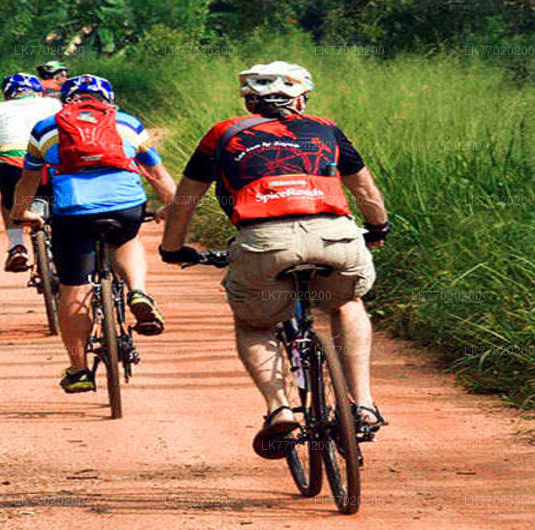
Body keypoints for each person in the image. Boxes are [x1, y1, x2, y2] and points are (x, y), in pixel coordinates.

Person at [158, 61, 391, 458]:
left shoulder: (222, 133)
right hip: (333, 234)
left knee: (255, 321)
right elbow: (364, 189)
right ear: (301, 99)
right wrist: (378, 227)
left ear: (250, 101)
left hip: (263, 242)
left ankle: (279, 407)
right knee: (347, 303)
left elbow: (185, 201)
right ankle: (364, 404)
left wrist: (172, 248)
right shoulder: (326, 128)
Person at [10, 74, 177, 393]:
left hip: (73, 211)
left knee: (73, 289)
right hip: (125, 206)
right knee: (127, 239)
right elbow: (156, 173)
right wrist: (172, 206)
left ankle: (79, 370)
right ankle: (138, 291)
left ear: (65, 102)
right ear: (108, 101)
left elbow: (29, 181)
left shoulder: (46, 128)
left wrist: (20, 213)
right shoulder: (127, 123)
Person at [0, 73, 63, 271]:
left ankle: (16, 245)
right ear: (39, 91)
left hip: (14, 169)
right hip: (51, 167)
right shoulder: (55, 105)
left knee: (8, 197)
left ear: (7, 95)